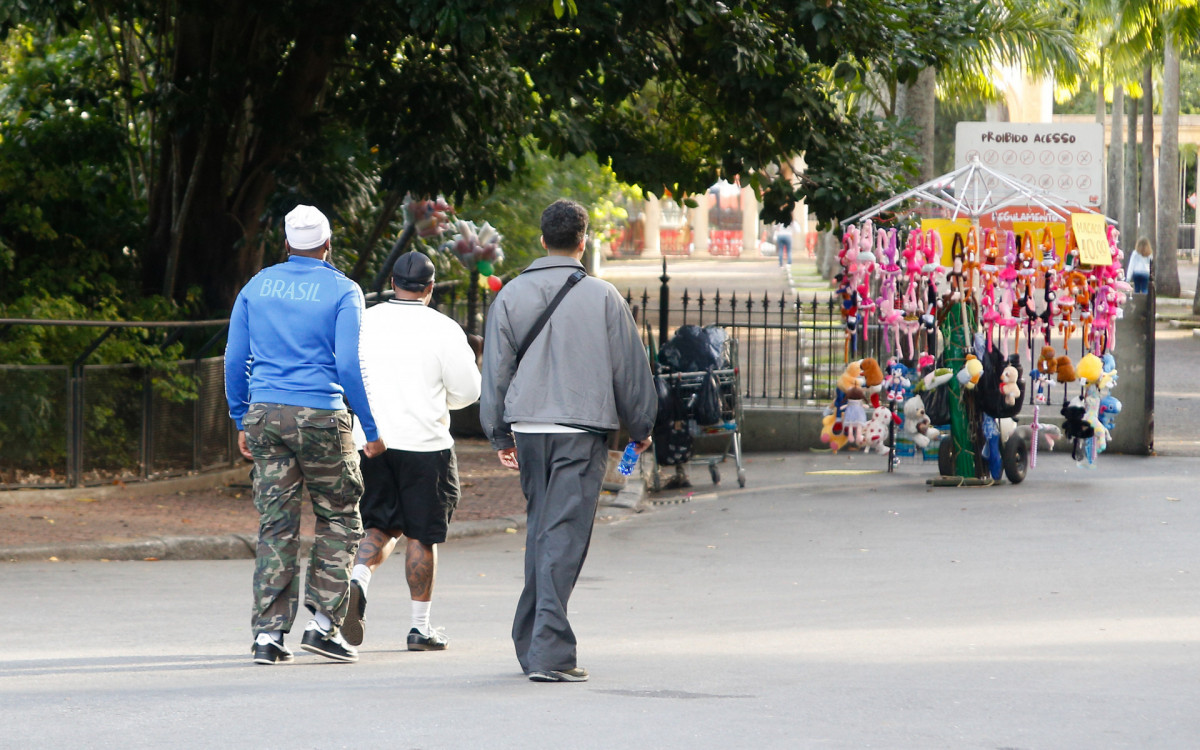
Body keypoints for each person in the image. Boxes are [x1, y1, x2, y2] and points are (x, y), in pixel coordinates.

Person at [480, 198, 657, 683]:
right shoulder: (603, 296)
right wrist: (640, 427)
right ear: (583, 241)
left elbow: (495, 371)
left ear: (542, 239)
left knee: (543, 531)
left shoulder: (511, 295)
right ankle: (549, 652)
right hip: (581, 430)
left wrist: (498, 431)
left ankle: (530, 639)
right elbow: (630, 370)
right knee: (563, 535)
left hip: (529, 429)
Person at [225, 204, 385, 666]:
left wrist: (241, 416)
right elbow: (349, 366)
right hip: (321, 416)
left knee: (276, 524)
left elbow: (235, 359)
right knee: (340, 517)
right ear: (328, 243)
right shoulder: (343, 290)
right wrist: (370, 428)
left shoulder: (256, 286)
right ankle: (323, 625)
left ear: (287, 243)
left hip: (265, 416)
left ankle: (267, 636)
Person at [341, 251, 481, 652]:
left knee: (378, 524)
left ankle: (358, 581)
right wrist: (443, 403)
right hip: (425, 444)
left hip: (371, 440)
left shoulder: (365, 321)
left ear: (392, 282)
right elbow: (469, 391)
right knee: (421, 533)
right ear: (431, 288)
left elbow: (345, 372)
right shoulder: (444, 328)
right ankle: (420, 627)